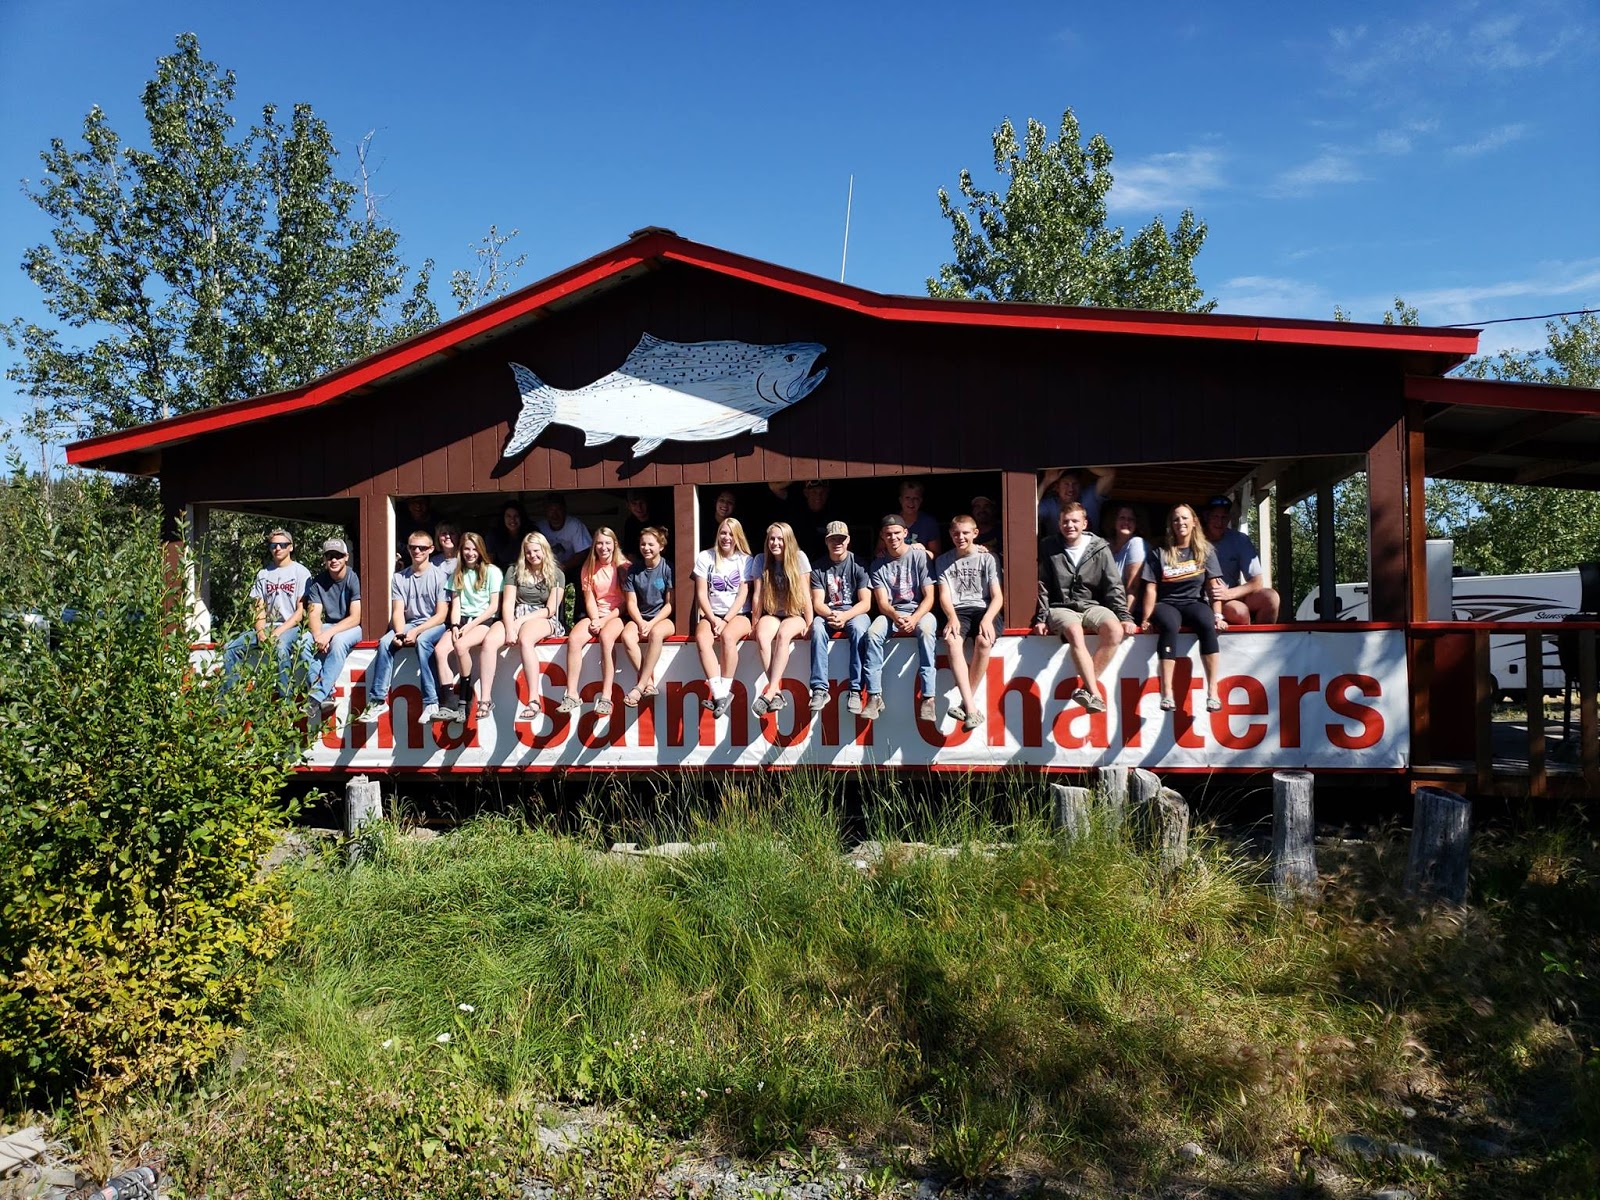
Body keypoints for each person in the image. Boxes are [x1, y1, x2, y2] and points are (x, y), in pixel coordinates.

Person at [1033, 503, 1138, 714]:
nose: (1069, 525)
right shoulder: (1048, 545)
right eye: (1065, 521)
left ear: (1085, 523)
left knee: (1115, 631)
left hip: (1092, 605)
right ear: (1059, 523)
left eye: (1074, 521)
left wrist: (1124, 616)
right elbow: (1042, 584)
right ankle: (1095, 694)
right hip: (1061, 607)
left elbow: (1113, 585)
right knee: (1074, 631)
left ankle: (1086, 691)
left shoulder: (1099, 547)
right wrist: (1042, 618)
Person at [1137, 503, 1227, 713]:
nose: (1181, 523)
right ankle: (1167, 692)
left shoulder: (1206, 551)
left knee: (1206, 623)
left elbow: (1213, 586)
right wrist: (1146, 618)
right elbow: (1151, 588)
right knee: (1169, 625)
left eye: (1185, 518)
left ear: (1194, 522)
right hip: (1167, 603)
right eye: (1176, 519)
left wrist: (1218, 614)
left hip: (1193, 602)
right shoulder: (1159, 553)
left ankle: (1212, 691)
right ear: (1171, 525)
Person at [359, 529, 450, 724]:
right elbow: (398, 611)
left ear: (431, 549)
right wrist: (400, 632)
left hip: (433, 624)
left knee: (424, 642)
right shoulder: (399, 578)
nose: (417, 551)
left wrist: (416, 631)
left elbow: (442, 615)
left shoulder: (440, 576)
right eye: (413, 547)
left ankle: (431, 701)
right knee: (384, 642)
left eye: (422, 548)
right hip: (409, 624)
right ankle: (377, 700)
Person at [481, 531, 566, 723]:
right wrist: (510, 627)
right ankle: (485, 699)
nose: (532, 555)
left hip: (541, 615)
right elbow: (508, 603)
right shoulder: (514, 570)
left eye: (536, 551)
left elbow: (551, 609)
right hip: (516, 612)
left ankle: (534, 699)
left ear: (544, 550)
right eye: (528, 552)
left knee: (526, 639)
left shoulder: (557, 574)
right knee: (490, 640)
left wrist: (520, 623)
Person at [220, 528, 312, 698]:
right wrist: (261, 632)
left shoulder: (301, 572)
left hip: (291, 627)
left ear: (291, 547)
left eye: (282, 545)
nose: (278, 548)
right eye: (273, 545)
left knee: (280, 648)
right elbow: (259, 607)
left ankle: (286, 699)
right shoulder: (263, 574)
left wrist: (277, 632)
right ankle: (227, 701)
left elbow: (301, 612)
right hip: (267, 627)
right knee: (230, 649)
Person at [864, 514, 937, 722]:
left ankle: (929, 698)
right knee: (872, 633)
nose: (893, 538)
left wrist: (914, 618)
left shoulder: (919, 556)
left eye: (897, 533)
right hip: (891, 613)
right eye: (888, 534)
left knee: (926, 631)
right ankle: (874, 695)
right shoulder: (878, 564)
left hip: (919, 610)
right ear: (882, 536)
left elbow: (930, 597)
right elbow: (882, 603)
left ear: (905, 533)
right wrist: (895, 615)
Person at [935, 515, 1003, 731]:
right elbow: (944, 595)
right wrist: (951, 617)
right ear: (950, 535)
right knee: (952, 641)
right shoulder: (943, 560)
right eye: (956, 533)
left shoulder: (989, 558)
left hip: (984, 608)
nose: (960, 537)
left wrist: (988, 618)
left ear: (975, 533)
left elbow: (998, 596)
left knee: (984, 641)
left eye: (965, 533)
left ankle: (966, 704)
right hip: (958, 610)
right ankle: (972, 710)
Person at [557, 527, 629, 715]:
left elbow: (626, 603)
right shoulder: (589, 567)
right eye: (599, 543)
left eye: (607, 543)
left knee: (606, 639)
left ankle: (606, 697)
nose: (603, 547)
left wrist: (605, 620)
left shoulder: (624, 566)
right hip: (597, 613)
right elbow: (589, 599)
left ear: (615, 544)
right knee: (574, 639)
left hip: (616, 615)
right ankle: (571, 694)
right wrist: (596, 618)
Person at [433, 532, 504, 723]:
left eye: (474, 549)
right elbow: (455, 605)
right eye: (466, 549)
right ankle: (448, 701)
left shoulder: (492, 571)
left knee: (461, 646)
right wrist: (455, 625)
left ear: (481, 551)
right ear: (461, 551)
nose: (470, 553)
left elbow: (493, 607)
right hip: (462, 621)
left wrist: (471, 625)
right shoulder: (458, 572)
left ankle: (465, 697)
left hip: (483, 622)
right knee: (440, 650)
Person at [750, 522, 814, 716]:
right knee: (762, 636)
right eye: (772, 538)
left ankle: (770, 691)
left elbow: (806, 593)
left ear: (788, 540)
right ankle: (775, 691)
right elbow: (758, 596)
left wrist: (810, 623)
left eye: (780, 539)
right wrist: (754, 623)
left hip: (795, 613)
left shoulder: (799, 557)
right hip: (772, 612)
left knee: (784, 635)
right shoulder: (761, 559)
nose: (775, 542)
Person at [808, 520, 872, 713]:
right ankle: (819, 689)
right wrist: (832, 614)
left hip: (854, 612)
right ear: (826, 541)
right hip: (829, 612)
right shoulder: (817, 567)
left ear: (848, 540)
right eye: (833, 539)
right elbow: (817, 603)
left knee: (860, 628)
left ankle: (855, 690)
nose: (837, 542)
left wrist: (845, 616)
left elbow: (866, 603)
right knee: (817, 628)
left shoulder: (860, 564)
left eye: (841, 539)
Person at [694, 517, 753, 719]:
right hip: (712, 614)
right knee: (702, 638)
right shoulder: (705, 557)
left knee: (728, 637)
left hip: (738, 614)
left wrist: (726, 620)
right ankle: (719, 694)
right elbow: (701, 593)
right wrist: (712, 619)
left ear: (738, 537)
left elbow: (743, 594)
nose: (726, 538)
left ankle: (725, 688)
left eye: (730, 534)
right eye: (723, 533)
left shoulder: (745, 559)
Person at [304, 537, 362, 727]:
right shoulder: (318, 582)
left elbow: (355, 617)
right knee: (303, 642)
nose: (334, 560)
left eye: (338, 556)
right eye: (330, 556)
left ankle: (315, 698)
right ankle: (323, 692)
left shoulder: (353, 578)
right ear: (325, 559)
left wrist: (327, 635)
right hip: (329, 625)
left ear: (346, 557)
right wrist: (317, 635)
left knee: (338, 643)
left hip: (352, 627)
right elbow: (314, 614)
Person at [1201, 495, 1281, 626]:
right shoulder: (1195, 540)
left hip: (1230, 596)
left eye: (1224, 517)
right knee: (1240, 612)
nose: (1219, 523)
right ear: (1206, 517)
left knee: (1271, 597)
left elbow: (1257, 582)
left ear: (1229, 518)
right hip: (1202, 600)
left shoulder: (1239, 540)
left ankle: (1262, 641)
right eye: (1215, 517)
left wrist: (1229, 593)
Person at [621, 526, 675, 707]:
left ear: (661, 546)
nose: (646, 548)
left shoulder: (668, 569)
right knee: (627, 636)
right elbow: (631, 603)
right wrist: (640, 622)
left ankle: (640, 685)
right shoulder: (634, 570)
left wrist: (651, 623)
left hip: (662, 618)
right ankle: (649, 684)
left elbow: (670, 605)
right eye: (643, 544)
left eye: (651, 544)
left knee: (656, 634)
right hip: (639, 617)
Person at [1038, 467, 1115, 538]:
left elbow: (1109, 474)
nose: (1071, 489)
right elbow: (1030, 511)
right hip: (1058, 551)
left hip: (1091, 550)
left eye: (1075, 484)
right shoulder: (1050, 505)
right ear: (1057, 487)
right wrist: (1046, 481)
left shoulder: (1089, 497)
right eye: (1066, 484)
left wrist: (1081, 461)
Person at [536, 493, 593, 575]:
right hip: (545, 570)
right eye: (551, 510)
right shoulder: (540, 527)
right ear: (545, 511)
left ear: (564, 510)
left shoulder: (574, 525)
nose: (555, 515)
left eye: (558, 510)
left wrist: (563, 567)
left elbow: (582, 553)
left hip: (571, 569)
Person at [880, 479, 942, 556]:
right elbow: (878, 552)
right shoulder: (891, 520)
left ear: (921, 501)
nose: (911, 502)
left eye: (915, 498)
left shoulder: (929, 523)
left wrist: (923, 551)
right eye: (907, 498)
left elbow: (936, 555)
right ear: (900, 500)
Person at [1107, 504, 1147, 596]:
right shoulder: (1105, 544)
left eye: (1131, 519)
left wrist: (1126, 610)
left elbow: (1132, 588)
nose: (1126, 522)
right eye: (1122, 518)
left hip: (1124, 604)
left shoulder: (1137, 543)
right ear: (1114, 521)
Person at [487, 503, 528, 568]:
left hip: (526, 570)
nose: (512, 520)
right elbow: (489, 561)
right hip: (502, 572)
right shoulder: (494, 535)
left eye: (516, 516)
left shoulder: (529, 533)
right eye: (508, 516)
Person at [621, 490, 655, 562]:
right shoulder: (630, 523)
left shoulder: (658, 520)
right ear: (628, 505)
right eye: (634, 503)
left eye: (641, 503)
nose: (639, 507)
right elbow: (630, 553)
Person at [970, 495, 1003, 563]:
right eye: (977, 507)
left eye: (986, 506)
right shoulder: (965, 533)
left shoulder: (1003, 531)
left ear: (993, 509)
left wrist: (993, 551)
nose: (982, 510)